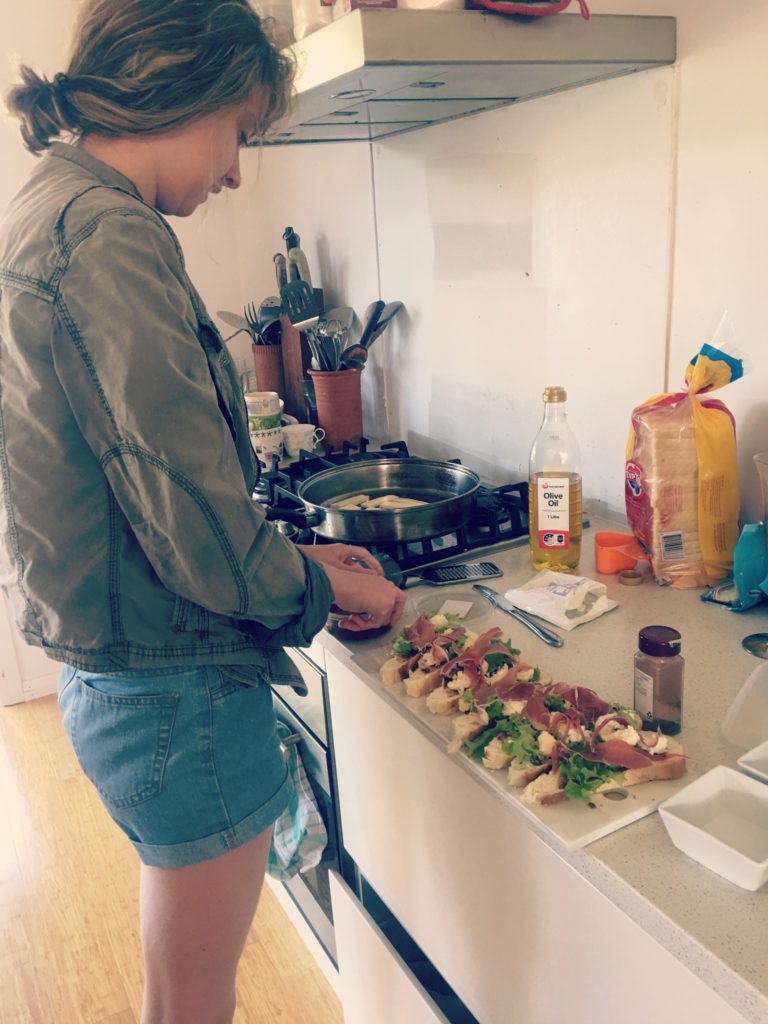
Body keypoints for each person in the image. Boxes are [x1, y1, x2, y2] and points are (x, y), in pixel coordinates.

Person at [0, 2, 406, 1022]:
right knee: (193, 1001)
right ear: (181, 86)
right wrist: (314, 585)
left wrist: (291, 551)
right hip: (172, 690)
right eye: (239, 132)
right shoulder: (107, 238)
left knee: (179, 988)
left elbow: (144, 484)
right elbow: (187, 512)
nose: (233, 172)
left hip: (121, 671)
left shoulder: (51, 204)